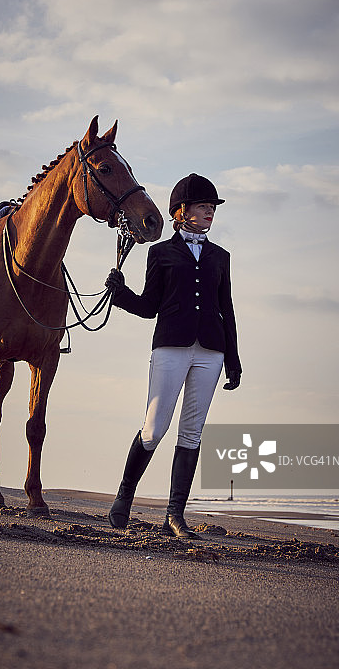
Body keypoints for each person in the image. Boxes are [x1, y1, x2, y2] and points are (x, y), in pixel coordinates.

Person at [105, 174, 242, 538]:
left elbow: (225, 308)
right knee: (153, 430)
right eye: (202, 206)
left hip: (211, 352)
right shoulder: (160, 253)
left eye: (212, 207)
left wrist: (234, 360)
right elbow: (150, 306)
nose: (210, 211)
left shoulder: (220, 257)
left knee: (192, 433)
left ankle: (174, 516)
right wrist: (120, 294)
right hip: (169, 347)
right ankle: (123, 498)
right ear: (181, 212)